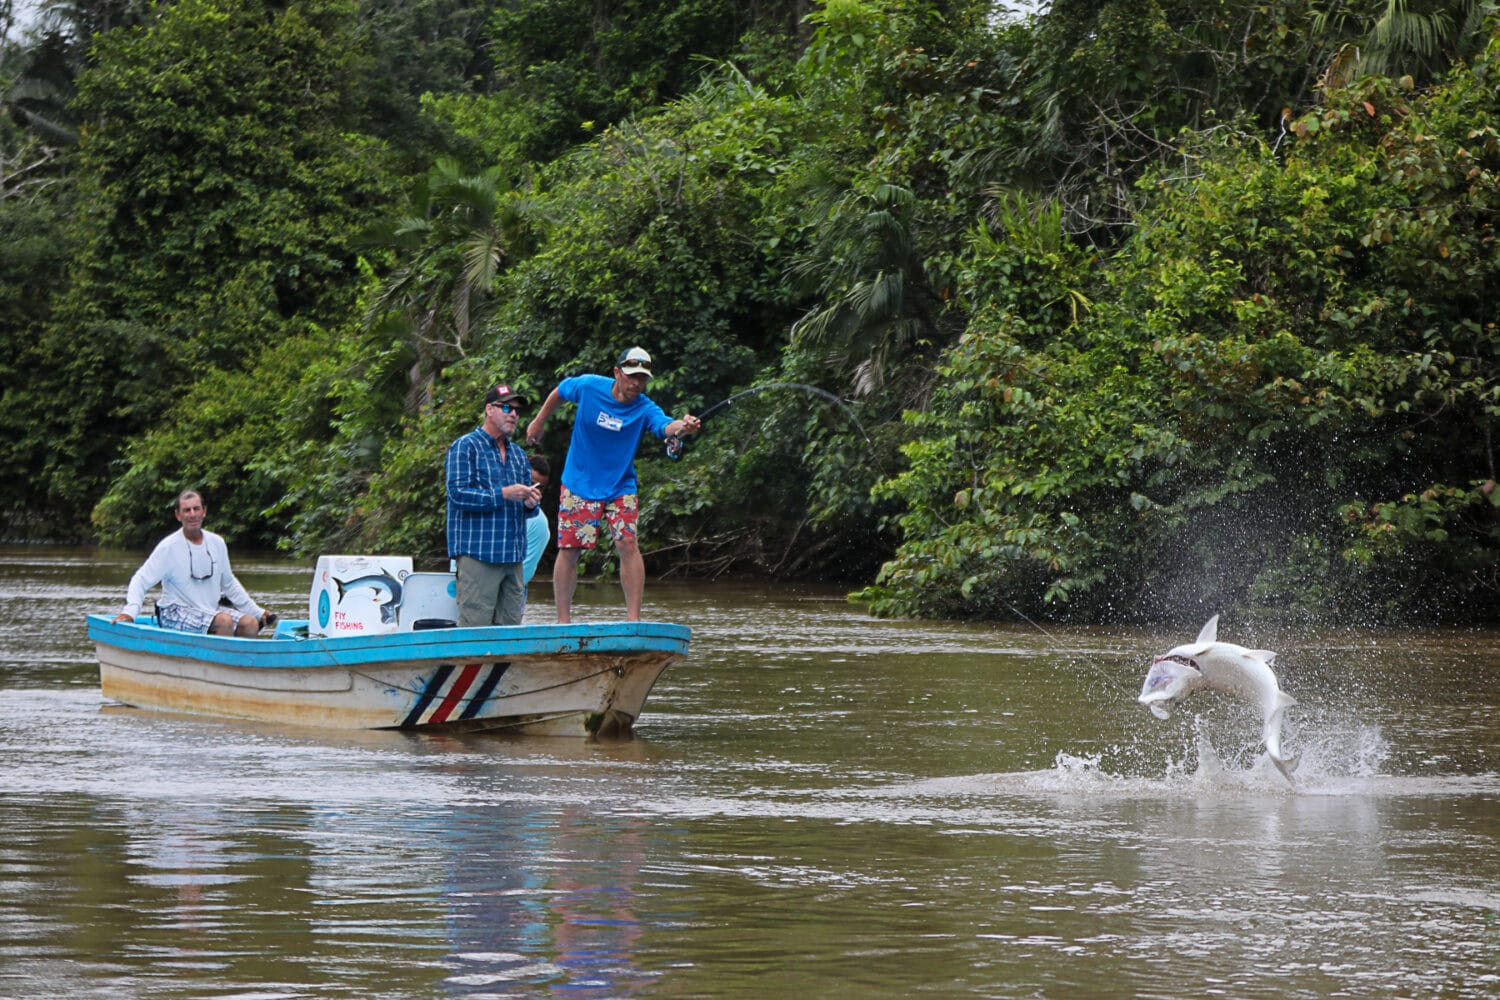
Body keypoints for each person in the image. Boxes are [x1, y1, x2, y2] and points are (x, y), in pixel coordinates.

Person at [525, 346, 701, 622]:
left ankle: (633, 620)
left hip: (620, 485)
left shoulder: (644, 408)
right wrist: (538, 421)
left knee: (628, 543)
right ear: (617, 373)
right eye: (631, 376)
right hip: (580, 482)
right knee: (570, 549)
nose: (636, 384)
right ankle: (563, 621)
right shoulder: (588, 386)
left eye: (642, 378)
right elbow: (560, 390)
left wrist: (683, 426)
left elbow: (665, 426)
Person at [112, 490, 274, 636]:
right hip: (174, 612)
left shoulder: (217, 543)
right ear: (178, 515)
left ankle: (239, 667)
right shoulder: (169, 547)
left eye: (196, 509)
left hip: (209, 610)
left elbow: (229, 583)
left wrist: (257, 612)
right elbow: (141, 579)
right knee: (224, 621)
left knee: (250, 623)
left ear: (204, 511)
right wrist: (130, 611)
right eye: (186, 510)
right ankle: (217, 667)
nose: (192, 514)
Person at [446, 382, 541, 627]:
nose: (513, 415)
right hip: (479, 555)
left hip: (513, 558)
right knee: (474, 632)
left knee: (510, 633)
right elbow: (458, 494)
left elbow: (524, 509)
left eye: (517, 411)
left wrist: (530, 503)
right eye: (507, 408)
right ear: (489, 409)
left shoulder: (519, 455)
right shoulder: (465, 446)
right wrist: (503, 494)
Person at [523, 454, 552, 587]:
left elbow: (523, 573)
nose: (532, 490)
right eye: (529, 483)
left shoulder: (538, 523)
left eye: (539, 487)